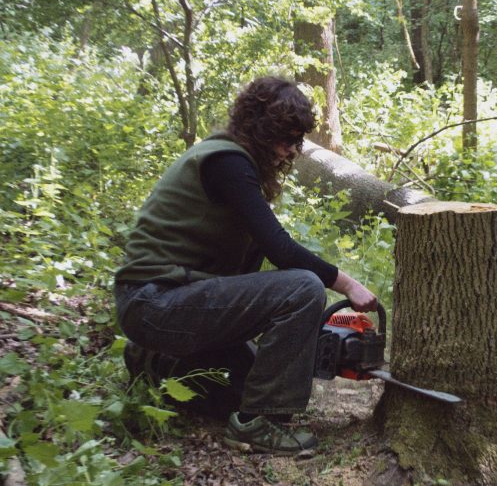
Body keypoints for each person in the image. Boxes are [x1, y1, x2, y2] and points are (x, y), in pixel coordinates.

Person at [113, 76, 377, 454]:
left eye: (297, 140)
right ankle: (261, 423)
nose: (290, 151)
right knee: (303, 287)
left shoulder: (232, 163)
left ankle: (155, 364)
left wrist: (296, 346)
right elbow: (281, 251)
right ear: (259, 128)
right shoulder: (227, 162)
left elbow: (241, 280)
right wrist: (348, 285)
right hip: (154, 302)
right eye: (285, 138)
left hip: (169, 300)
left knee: (242, 388)